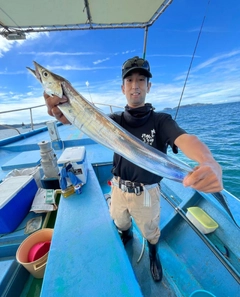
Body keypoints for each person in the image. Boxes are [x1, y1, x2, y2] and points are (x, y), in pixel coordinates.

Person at [44, 56, 223, 282]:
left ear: (149, 86)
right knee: (120, 222)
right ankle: (126, 236)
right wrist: (62, 112)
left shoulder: (161, 121)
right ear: (122, 88)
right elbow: (80, 120)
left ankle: (153, 254)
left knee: (151, 231)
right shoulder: (114, 121)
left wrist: (208, 161)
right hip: (118, 188)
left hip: (147, 192)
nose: (135, 85)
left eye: (141, 80)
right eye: (129, 80)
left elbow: (185, 139)